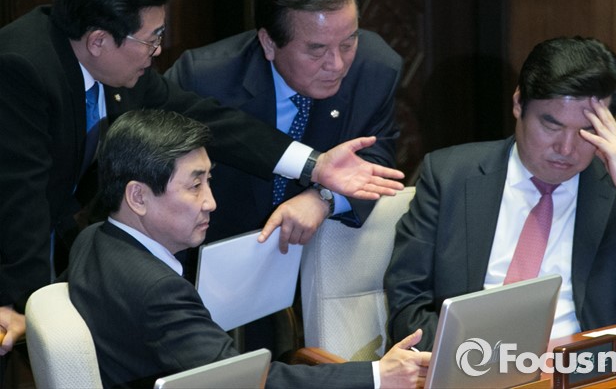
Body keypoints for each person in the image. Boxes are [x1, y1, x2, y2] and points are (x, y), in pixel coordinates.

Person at [0, 0, 404, 356]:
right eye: (151, 38)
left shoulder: (111, 62)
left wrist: (314, 167)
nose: (158, 50)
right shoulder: (21, 68)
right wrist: (34, 308)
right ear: (99, 41)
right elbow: (20, 200)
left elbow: (210, 119)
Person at [67, 109, 430, 388]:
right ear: (137, 197)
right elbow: (246, 382)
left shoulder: (95, 238)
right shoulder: (157, 291)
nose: (210, 202)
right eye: (194, 186)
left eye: (209, 180)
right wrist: (378, 375)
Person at [384, 36, 616, 351]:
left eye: (588, 131)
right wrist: (470, 359)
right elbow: (407, 305)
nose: (566, 148)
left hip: (588, 367)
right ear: (519, 103)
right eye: (552, 126)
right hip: (470, 360)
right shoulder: (449, 175)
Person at [165, 0, 402, 250]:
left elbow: (376, 160)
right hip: (210, 252)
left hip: (314, 253)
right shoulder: (203, 79)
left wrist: (323, 199)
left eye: (348, 42)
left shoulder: (375, 69)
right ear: (268, 43)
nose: (337, 64)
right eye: (317, 50)